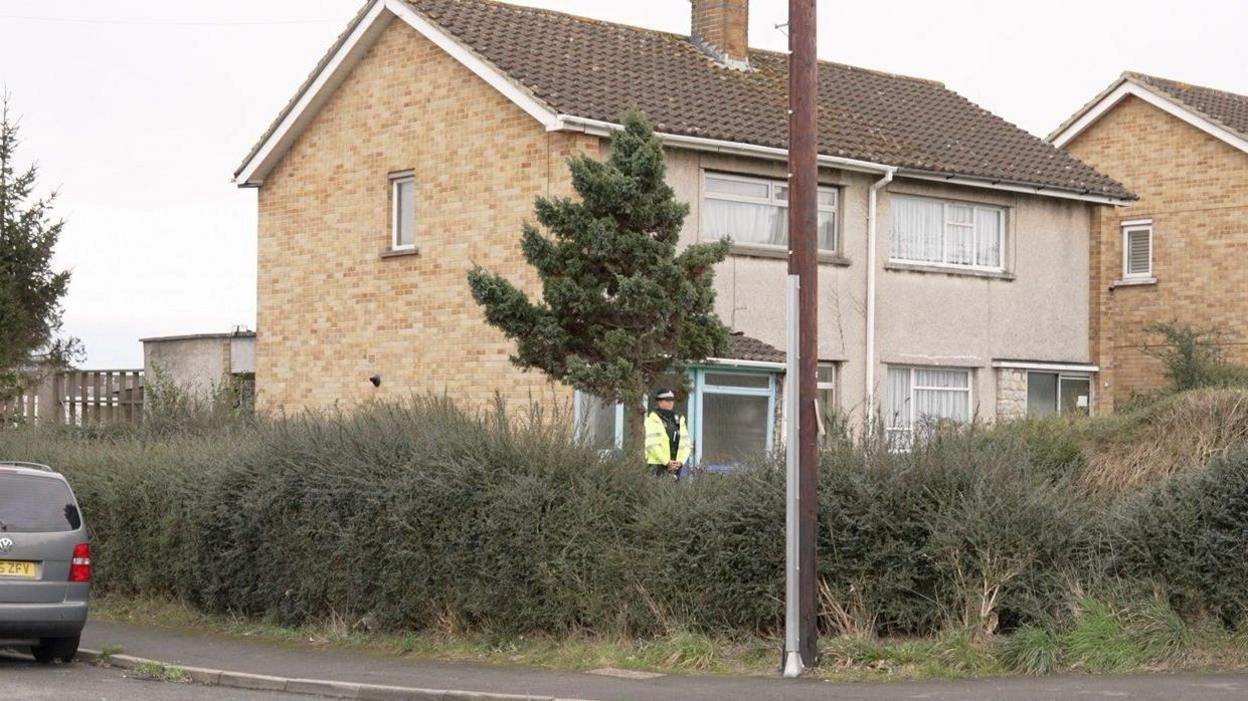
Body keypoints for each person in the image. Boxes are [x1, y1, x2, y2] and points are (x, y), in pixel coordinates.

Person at [645, 389, 691, 479]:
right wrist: (667, 462)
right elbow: (652, 445)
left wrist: (680, 462)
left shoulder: (679, 419)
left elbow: (686, 443)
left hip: (676, 467)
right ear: (659, 402)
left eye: (672, 400)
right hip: (657, 466)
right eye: (667, 400)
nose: (670, 403)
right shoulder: (652, 420)